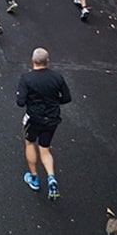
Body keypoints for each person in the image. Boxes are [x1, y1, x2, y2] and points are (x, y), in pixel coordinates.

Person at [16, 48, 71, 201]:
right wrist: (54, 102)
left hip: (34, 118)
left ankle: (34, 179)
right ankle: (51, 177)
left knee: (30, 143)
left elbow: (20, 102)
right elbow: (66, 98)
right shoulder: (57, 77)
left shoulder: (27, 78)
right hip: (52, 118)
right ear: (48, 61)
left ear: (33, 60)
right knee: (45, 149)